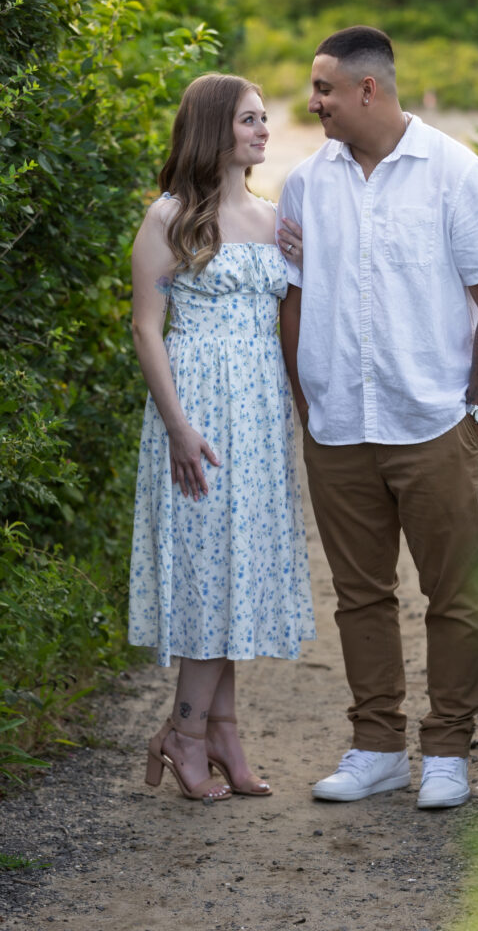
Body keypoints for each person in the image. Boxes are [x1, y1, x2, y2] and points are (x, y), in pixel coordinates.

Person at [277, 26, 478, 809]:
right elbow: (293, 299)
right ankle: (376, 746)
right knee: (359, 596)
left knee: (453, 596)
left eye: (323, 89)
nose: (313, 103)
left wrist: (474, 412)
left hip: (434, 423)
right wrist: (307, 402)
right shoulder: (306, 184)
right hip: (339, 427)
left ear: (366, 89)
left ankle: (447, 750)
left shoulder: (459, 174)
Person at [128, 73, 314, 802]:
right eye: (249, 119)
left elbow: (300, 309)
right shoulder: (169, 216)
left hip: (259, 415)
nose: (264, 130)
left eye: (264, 118)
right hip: (197, 411)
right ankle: (184, 732)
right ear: (213, 128)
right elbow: (146, 328)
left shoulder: (273, 220)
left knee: (237, 571)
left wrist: (307, 258)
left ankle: (222, 733)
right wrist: (178, 426)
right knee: (208, 568)